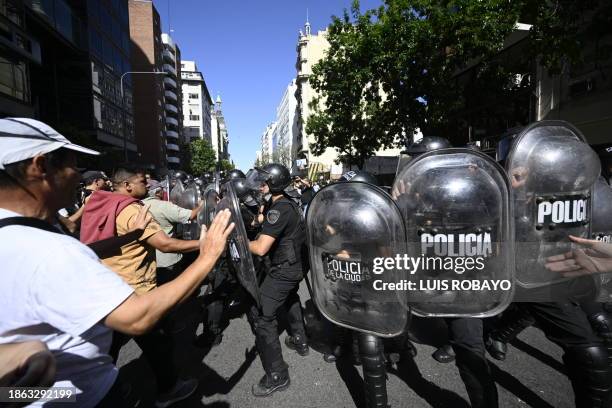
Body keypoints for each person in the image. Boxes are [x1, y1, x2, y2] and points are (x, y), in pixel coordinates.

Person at [0, 117, 234, 407]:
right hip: (87, 397)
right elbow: (137, 317)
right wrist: (207, 253)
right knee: (152, 339)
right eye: (74, 165)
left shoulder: (21, 233)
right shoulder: (51, 251)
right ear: (41, 166)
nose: (79, 177)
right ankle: (168, 389)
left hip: (50, 393)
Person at [81, 167, 212, 405]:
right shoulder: (133, 209)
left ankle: (95, 386)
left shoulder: (99, 202)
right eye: (143, 181)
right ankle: (168, 390)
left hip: (108, 287)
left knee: (108, 346)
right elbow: (166, 244)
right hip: (136, 290)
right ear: (128, 186)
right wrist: (204, 245)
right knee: (158, 343)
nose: (148, 185)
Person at [247, 163, 309, 397]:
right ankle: (300, 339)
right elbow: (269, 220)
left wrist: (237, 242)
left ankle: (277, 374)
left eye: (264, 182)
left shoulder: (279, 209)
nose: (260, 185)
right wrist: (259, 220)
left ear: (273, 184)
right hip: (294, 266)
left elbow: (261, 248)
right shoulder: (283, 202)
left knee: (263, 316)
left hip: (284, 268)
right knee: (291, 297)